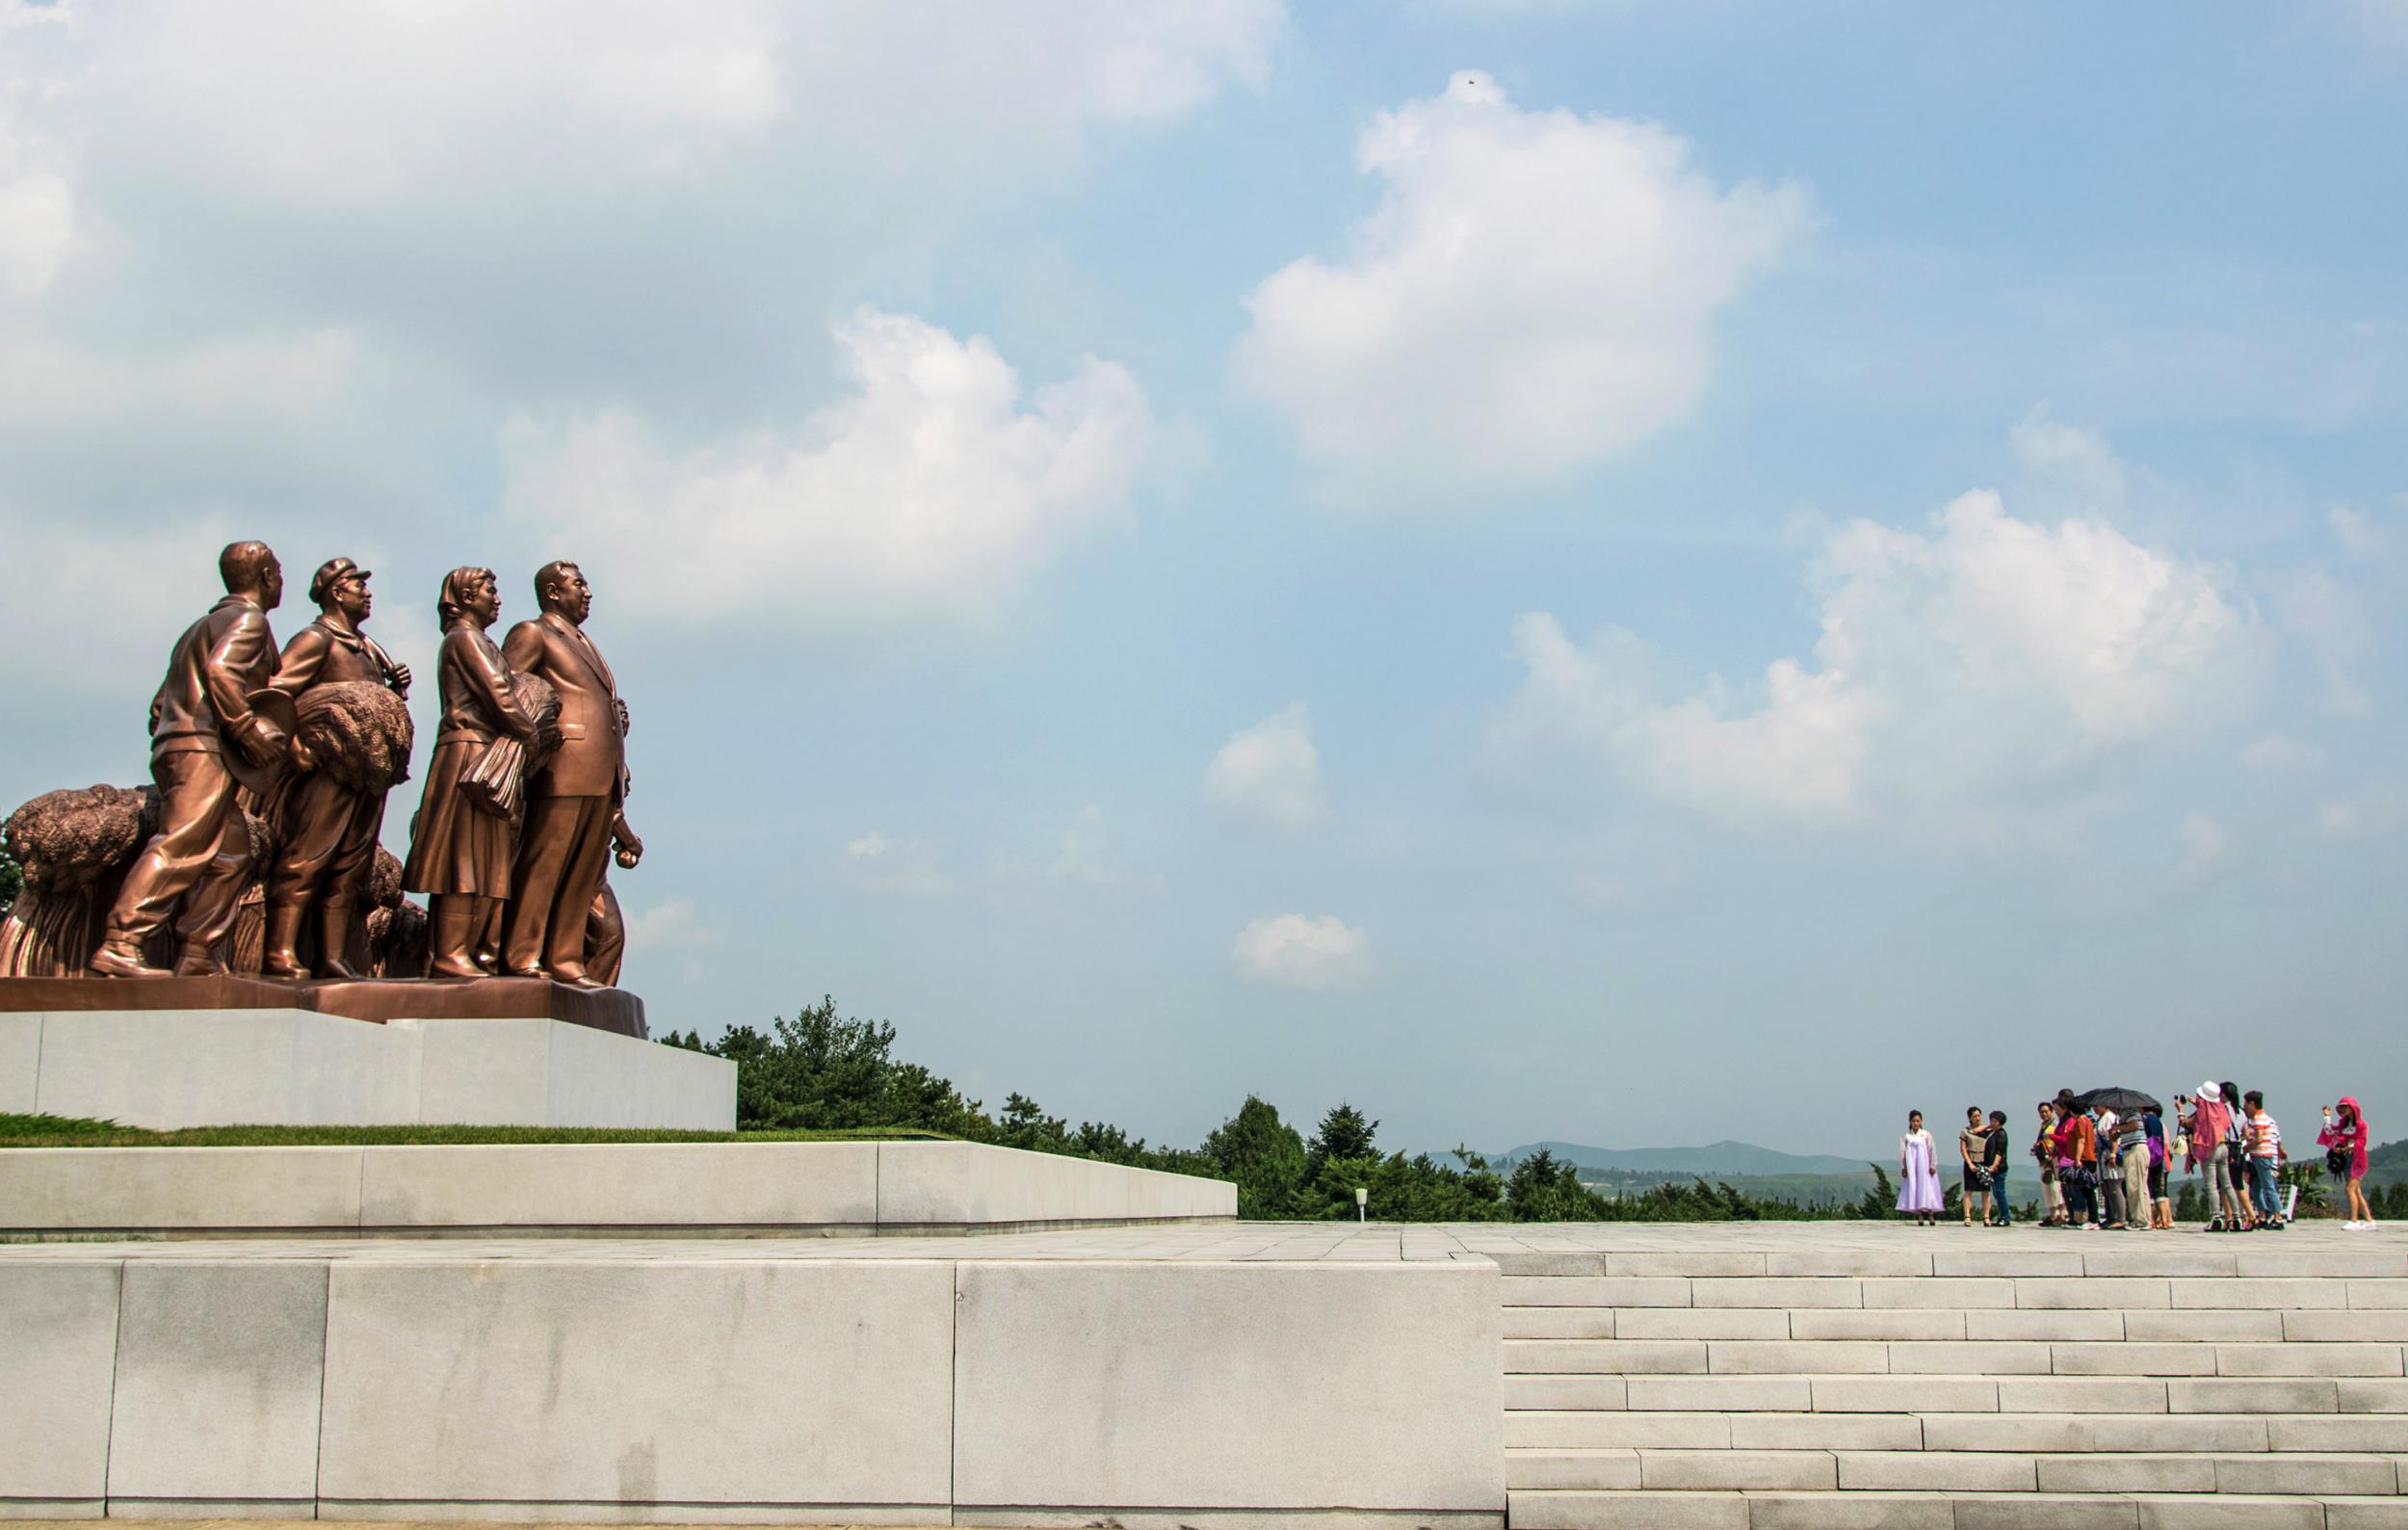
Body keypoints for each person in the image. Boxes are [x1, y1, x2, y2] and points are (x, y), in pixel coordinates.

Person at [89, 541, 287, 978]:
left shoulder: (201, 626)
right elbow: (221, 673)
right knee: (181, 845)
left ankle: (197, 950)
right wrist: (246, 729)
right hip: (203, 748)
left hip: (178, 745)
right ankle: (122, 942)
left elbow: (159, 704)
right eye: (279, 573)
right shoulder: (249, 621)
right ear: (267, 577)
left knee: (232, 855)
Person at [261, 557, 411, 980]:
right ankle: (280, 951)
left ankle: (332, 955)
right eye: (357, 585)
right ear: (335, 592)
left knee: (349, 866)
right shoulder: (315, 640)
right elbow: (275, 695)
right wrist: (293, 747)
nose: (367, 593)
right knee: (306, 857)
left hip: (367, 772)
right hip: (326, 767)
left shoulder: (367, 646)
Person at [400, 567, 545, 979]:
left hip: (486, 751)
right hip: (469, 754)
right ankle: (449, 952)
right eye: (488, 590)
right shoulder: (464, 639)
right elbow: (499, 696)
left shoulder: (483, 641)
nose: (496, 598)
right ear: (465, 597)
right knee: (460, 856)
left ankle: (464, 948)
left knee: (483, 858)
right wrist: (531, 731)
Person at [501, 560, 630, 988]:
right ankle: (522, 953)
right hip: (561, 767)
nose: (588, 591)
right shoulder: (533, 633)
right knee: (545, 863)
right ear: (553, 592)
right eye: (579, 584)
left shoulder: (586, 643)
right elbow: (508, 691)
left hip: (600, 772)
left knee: (582, 870)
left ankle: (565, 957)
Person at [2320, 1098, 2375, 1229]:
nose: (2343, 1109)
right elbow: (2330, 1132)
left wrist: (2344, 1148)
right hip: (2347, 1159)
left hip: (2358, 1160)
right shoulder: (2344, 1125)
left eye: (2346, 1107)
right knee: (2356, 1190)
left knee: (2350, 1189)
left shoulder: (2361, 1125)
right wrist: (2327, 1117)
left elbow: (2360, 1142)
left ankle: (2354, 1220)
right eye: (2342, 1107)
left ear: (2353, 1108)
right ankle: (2369, 1220)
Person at [2243, 1090, 2286, 1230]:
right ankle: (2262, 1216)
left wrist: (2247, 1147)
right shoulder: (2269, 1120)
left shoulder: (2258, 1119)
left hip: (2262, 1156)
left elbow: (2259, 1139)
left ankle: (2278, 1217)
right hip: (2259, 1156)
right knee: (2255, 1189)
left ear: (2252, 1103)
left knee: (2268, 1187)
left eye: (2246, 1103)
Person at [1898, 1111, 1943, 1226]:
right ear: (1910, 1122)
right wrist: (1904, 1168)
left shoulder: (1926, 1135)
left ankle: (1931, 1214)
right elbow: (1903, 1153)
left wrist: (1933, 1165)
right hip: (1913, 1167)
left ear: (1921, 1121)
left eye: (1918, 1121)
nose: (1916, 1123)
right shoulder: (1906, 1137)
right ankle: (1920, 1214)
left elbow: (1932, 1150)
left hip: (1925, 1166)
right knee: (1916, 1188)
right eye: (1913, 1121)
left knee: (1928, 1188)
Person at [2094, 1102, 2128, 1229]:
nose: (2095, 1108)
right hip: (2103, 1156)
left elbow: (2114, 1138)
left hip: (2110, 1155)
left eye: (2097, 1105)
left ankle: (2121, 1218)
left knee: (2115, 1187)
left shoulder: (2109, 1117)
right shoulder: (2101, 1119)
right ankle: (2111, 1216)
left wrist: (2113, 1154)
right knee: (2107, 1188)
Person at [2033, 1102, 2066, 1226]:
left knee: (2056, 1186)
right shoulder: (2043, 1126)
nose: (2044, 1114)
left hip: (2053, 1159)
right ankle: (2053, 1214)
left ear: (2051, 1112)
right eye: (2042, 1112)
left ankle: (2062, 1214)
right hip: (2044, 1160)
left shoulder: (2056, 1125)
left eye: (2046, 1111)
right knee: (2047, 1187)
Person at [2141, 1104, 2172, 1229]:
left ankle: (2152, 1219)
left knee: (2148, 1188)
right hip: (2160, 1156)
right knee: (2159, 1188)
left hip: (2149, 1155)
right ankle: (2165, 1219)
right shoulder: (2160, 1123)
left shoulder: (2145, 1120)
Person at [1959, 1106, 1989, 1227]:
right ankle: (1967, 1216)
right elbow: (1963, 1149)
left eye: (1979, 1115)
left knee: (1985, 1190)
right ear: (1970, 1118)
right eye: (1974, 1116)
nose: (1977, 1118)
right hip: (1971, 1160)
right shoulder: (1965, 1131)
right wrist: (1969, 1163)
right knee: (1968, 1190)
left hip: (1984, 1161)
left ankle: (1986, 1216)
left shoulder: (1987, 1131)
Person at [1982, 1110, 2012, 1227]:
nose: (1992, 1123)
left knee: (2000, 1192)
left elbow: (2000, 1152)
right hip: (1992, 1168)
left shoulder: (2001, 1134)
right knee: (1996, 1193)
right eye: (1991, 1120)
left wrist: (1994, 1165)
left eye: (1995, 1121)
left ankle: (2005, 1217)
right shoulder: (1992, 1133)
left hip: (1999, 1168)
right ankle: (2002, 1216)